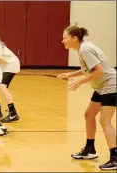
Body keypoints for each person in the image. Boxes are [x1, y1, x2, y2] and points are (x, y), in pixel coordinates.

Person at [58, 26, 116, 171]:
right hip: (101, 87)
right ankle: (90, 149)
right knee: (89, 115)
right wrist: (69, 75)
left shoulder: (85, 49)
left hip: (110, 86)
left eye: (65, 37)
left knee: (105, 120)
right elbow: (88, 70)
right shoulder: (83, 48)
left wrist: (80, 81)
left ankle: (115, 158)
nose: (63, 40)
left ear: (74, 38)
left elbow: (100, 71)